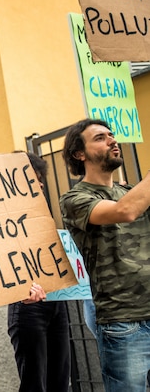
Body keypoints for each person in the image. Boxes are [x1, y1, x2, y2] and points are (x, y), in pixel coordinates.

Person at [59, 118, 150, 392]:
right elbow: (125, 211)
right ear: (80, 154)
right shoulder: (74, 199)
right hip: (123, 321)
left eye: (112, 135)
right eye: (100, 137)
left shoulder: (130, 191)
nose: (112, 140)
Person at [7, 152, 70, 392]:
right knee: (35, 383)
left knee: (60, 380)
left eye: (41, 178)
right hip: (27, 306)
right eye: (34, 178)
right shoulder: (1, 220)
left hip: (56, 303)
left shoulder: (42, 215)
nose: (41, 184)